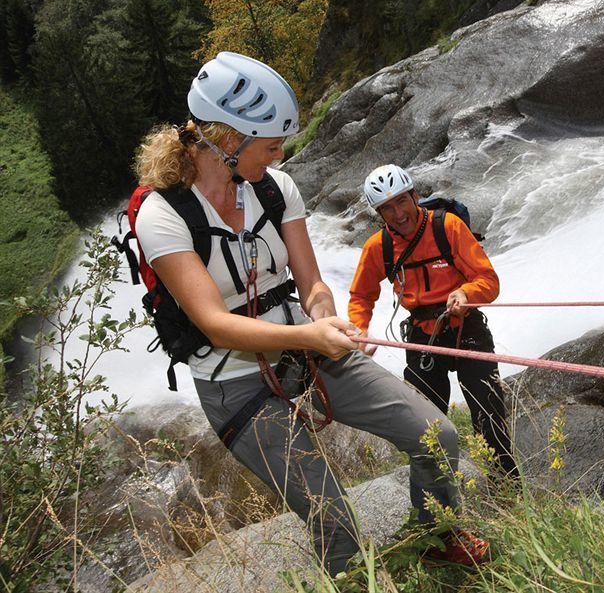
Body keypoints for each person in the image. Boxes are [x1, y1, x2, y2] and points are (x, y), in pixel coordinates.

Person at [133, 52, 486, 576]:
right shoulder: (163, 215)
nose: (278, 156)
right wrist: (313, 334)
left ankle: (436, 537)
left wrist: (328, 318)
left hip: (308, 351)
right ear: (228, 139)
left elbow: (312, 282)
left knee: (438, 437)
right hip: (236, 382)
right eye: (270, 145)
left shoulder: (275, 189)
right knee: (333, 521)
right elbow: (213, 322)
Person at [348, 165, 519, 485]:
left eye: (401, 201)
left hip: (466, 329)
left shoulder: (447, 227)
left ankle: (506, 495)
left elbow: (488, 281)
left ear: (415, 196)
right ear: (379, 213)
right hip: (422, 337)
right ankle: (439, 504)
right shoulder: (378, 247)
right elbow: (361, 296)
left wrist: (466, 292)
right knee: (424, 428)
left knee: (489, 418)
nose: (398, 213)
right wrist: (359, 329)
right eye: (387, 208)